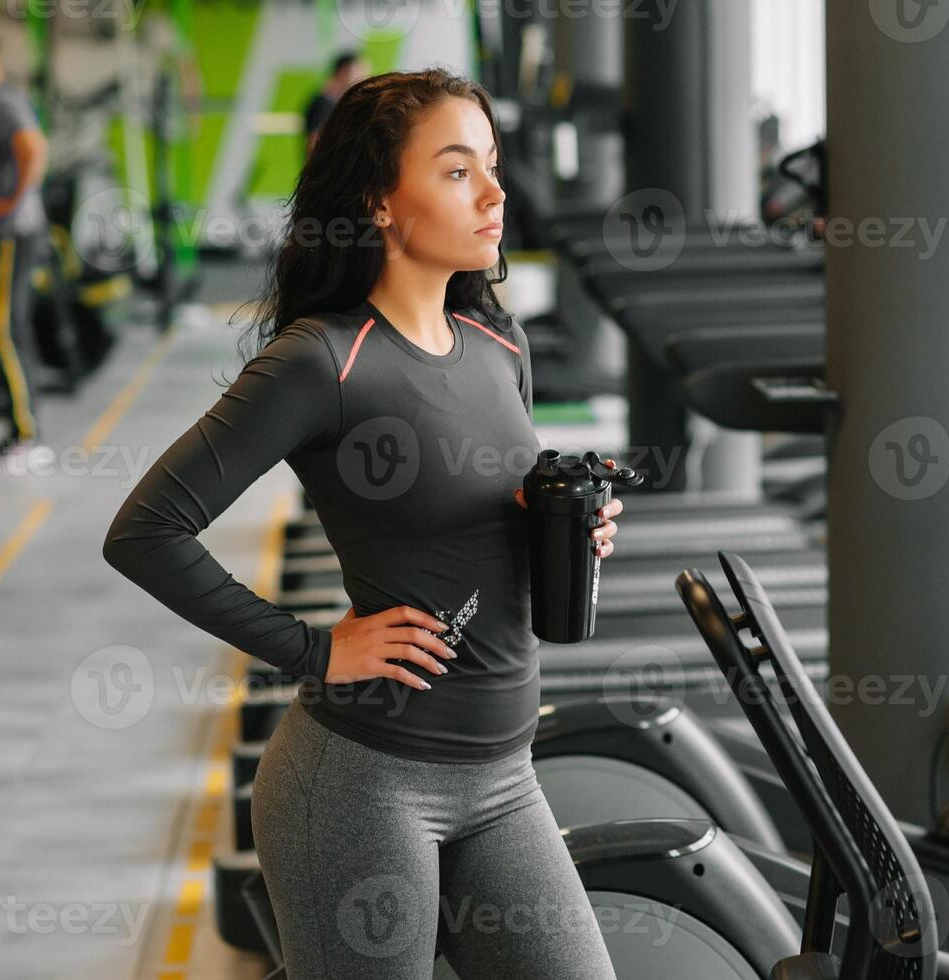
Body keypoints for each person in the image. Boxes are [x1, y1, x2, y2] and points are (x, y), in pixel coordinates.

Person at [103, 69, 626, 978]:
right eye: (458, 171)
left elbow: (472, 533)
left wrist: (567, 534)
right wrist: (315, 650)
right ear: (380, 201)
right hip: (362, 783)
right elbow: (145, 532)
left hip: (504, 775)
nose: (496, 193)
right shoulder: (321, 363)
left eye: (492, 166)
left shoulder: (500, 343)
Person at [0, 33, 51, 462]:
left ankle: (29, 436)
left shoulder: (4, 103)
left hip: (13, 234)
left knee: (6, 326)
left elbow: (34, 150)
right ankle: (7, 424)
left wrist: (11, 202)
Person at [303, 50, 368, 157]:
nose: (364, 78)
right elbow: (314, 145)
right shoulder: (323, 104)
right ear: (343, 72)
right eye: (359, 71)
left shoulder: (340, 103)